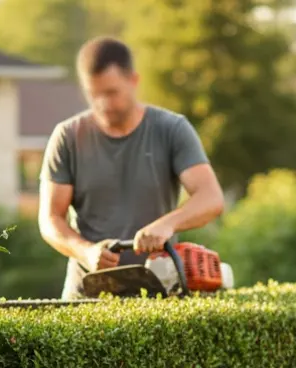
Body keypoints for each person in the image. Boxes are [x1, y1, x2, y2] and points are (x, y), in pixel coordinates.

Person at [38, 37, 226, 300]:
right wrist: (86, 251)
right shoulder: (67, 137)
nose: (104, 103)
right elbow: (50, 219)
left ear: (134, 81)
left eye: (112, 93)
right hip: (86, 295)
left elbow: (211, 198)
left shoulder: (171, 129)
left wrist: (167, 225)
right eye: (94, 94)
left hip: (159, 291)